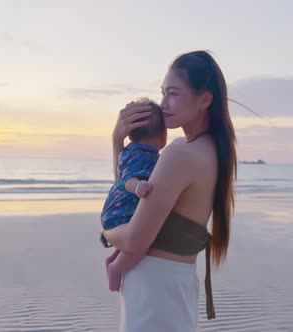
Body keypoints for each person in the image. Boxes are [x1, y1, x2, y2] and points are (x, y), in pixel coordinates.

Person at [101, 50, 237, 331]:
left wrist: (104, 235)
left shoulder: (180, 154)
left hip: (154, 284)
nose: (163, 104)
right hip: (177, 281)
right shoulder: (212, 150)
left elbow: (136, 238)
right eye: (162, 93)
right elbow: (131, 198)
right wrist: (118, 142)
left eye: (173, 93)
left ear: (204, 99)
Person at [100, 99, 167, 292]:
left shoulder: (127, 152)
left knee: (132, 241)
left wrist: (116, 141)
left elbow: (120, 177)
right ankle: (116, 267)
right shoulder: (144, 156)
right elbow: (128, 179)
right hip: (120, 214)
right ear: (163, 137)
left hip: (116, 209)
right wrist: (138, 187)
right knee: (142, 244)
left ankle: (113, 259)